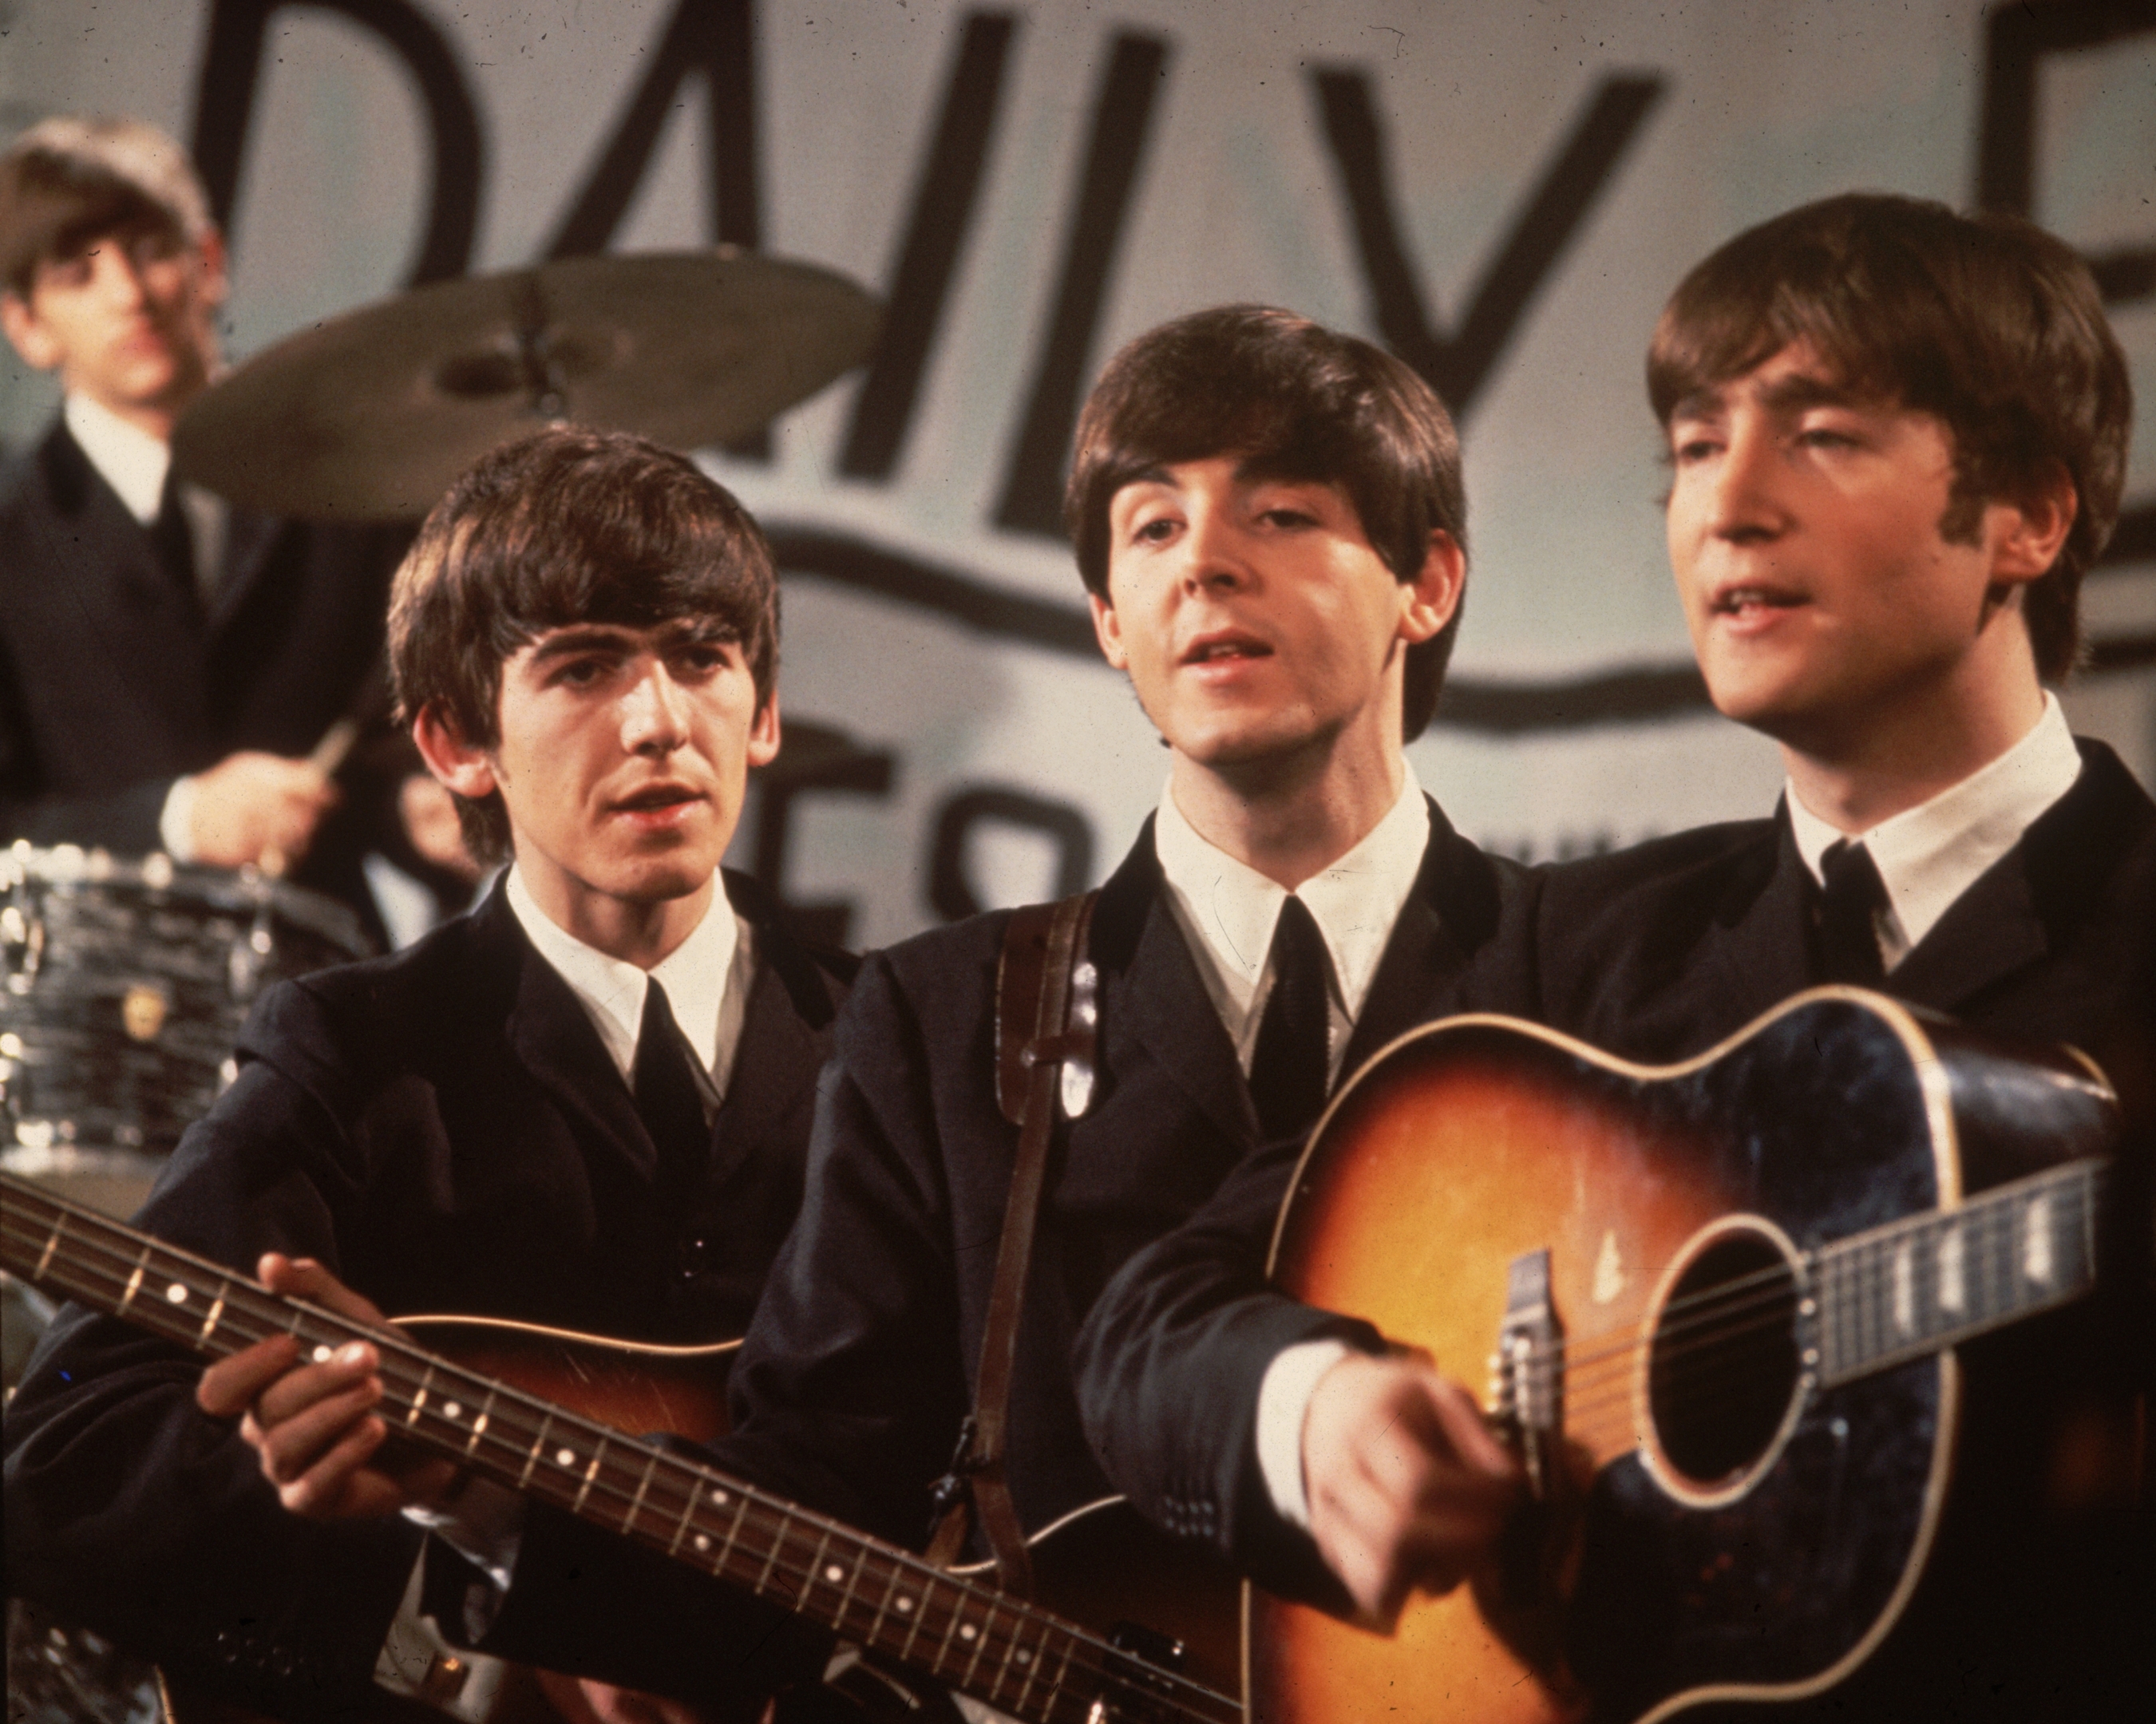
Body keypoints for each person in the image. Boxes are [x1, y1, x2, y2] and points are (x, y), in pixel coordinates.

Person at [203, 305, 1537, 1706]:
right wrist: (478, 1499)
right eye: (1149, 529)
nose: (1204, 562)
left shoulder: (1594, 970)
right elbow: (808, 1519)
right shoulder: (946, 1016)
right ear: (1105, 620)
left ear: (1427, 583)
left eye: (1278, 512)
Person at [1073, 193, 2154, 1716]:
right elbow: (1152, 1319)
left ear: (2030, 517)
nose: (1728, 507)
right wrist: (1314, 1414)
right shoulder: (1573, 953)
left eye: (1822, 434)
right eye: (1696, 447)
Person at [2, 426, 853, 1722]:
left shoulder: (899, 1040)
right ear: (455, 743)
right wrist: (360, 1493)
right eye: (582, 668)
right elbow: (63, 1464)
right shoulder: (354, 1051)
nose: (661, 720)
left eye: (702, 656)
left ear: (767, 707)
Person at [0, 115, 448, 930]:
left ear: (208, 262)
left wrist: (418, 811)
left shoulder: (348, 488)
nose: (128, 296)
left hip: (317, 984)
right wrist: (177, 820)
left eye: (149, 251)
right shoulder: (9, 530)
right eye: (76, 273)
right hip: (92, 1009)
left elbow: (388, 738)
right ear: (25, 325)